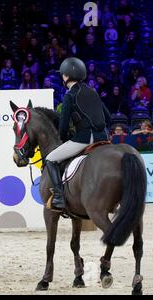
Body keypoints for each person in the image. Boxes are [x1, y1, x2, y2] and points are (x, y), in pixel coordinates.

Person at [46, 57, 111, 209]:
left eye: (62, 74)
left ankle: (58, 197)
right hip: (103, 138)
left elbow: (63, 125)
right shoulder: (93, 92)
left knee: (50, 159)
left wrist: (63, 138)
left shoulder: (69, 96)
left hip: (84, 139)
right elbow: (108, 117)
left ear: (66, 76)